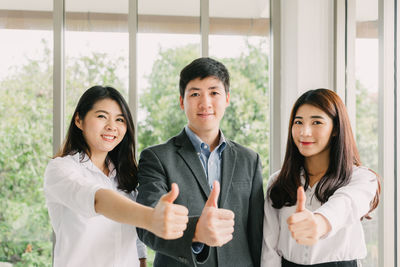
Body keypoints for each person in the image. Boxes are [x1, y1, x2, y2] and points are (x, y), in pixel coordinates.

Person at [136, 57, 264, 267]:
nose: (205, 103)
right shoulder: (156, 158)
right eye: (195, 94)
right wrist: (196, 232)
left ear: (227, 98)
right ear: (181, 101)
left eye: (214, 92)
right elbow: (146, 226)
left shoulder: (249, 160)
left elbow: (257, 234)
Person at [44, 86, 189, 267]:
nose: (112, 126)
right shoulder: (61, 169)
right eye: (102, 116)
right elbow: (97, 199)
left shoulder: (125, 176)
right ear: (79, 120)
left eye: (120, 119)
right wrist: (151, 218)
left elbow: (136, 244)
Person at [261, 89, 380, 267]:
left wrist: (319, 223)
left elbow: (346, 204)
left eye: (316, 122)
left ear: (335, 129)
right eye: (298, 122)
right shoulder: (278, 181)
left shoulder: (361, 178)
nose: (305, 132)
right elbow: (269, 249)